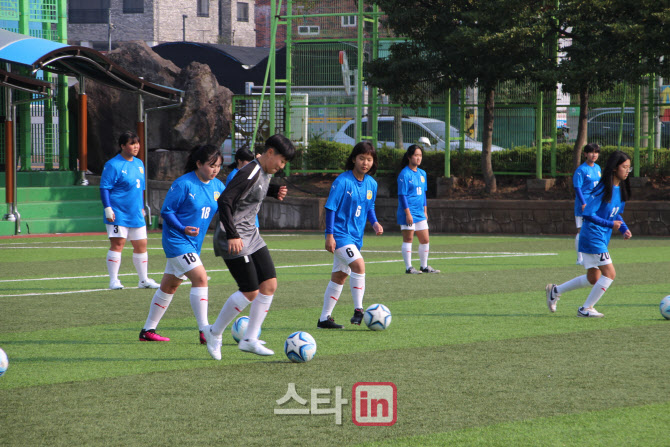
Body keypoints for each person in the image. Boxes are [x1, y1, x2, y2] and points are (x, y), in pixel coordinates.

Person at [202, 134, 296, 360]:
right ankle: (214, 332)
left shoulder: (263, 171)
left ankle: (249, 339)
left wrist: (273, 191)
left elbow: (253, 192)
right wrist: (233, 235)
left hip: (250, 235)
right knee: (250, 289)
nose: (282, 167)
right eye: (281, 161)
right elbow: (224, 200)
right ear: (270, 153)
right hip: (232, 236)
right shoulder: (251, 171)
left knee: (270, 284)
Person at [138, 145, 225, 342]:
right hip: (176, 240)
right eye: (212, 165)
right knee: (200, 278)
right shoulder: (184, 184)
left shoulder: (217, 186)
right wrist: (183, 228)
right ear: (199, 164)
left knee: (169, 286)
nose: (216, 170)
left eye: (219, 166)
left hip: (193, 244)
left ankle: (147, 331)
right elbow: (167, 212)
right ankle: (205, 331)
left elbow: (229, 204)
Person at [546, 150, 632, 318]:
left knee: (594, 278)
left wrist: (623, 228)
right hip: (592, 236)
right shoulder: (602, 190)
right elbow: (587, 214)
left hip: (601, 237)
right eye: (625, 167)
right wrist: (610, 224)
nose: (628, 170)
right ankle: (586, 308)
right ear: (615, 168)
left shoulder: (619, 191)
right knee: (610, 274)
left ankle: (555, 291)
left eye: (629, 167)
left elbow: (615, 214)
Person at [316, 141, 384, 329]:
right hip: (340, 235)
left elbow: (370, 207)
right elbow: (330, 208)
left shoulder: (372, 184)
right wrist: (329, 236)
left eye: (369, 159)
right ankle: (358, 310)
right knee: (358, 265)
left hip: (355, 238)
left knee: (339, 277)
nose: (365, 163)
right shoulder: (342, 181)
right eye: (361, 158)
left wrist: (375, 222)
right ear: (354, 159)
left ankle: (324, 319)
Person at [100, 131, 159, 290]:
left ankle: (143, 280)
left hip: (135, 213)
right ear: (122, 146)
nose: (136, 146)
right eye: (132, 143)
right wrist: (108, 208)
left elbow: (140, 189)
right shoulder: (113, 164)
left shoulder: (139, 164)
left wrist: (141, 207)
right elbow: (104, 188)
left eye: (137, 143)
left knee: (142, 245)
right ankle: (114, 280)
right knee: (118, 244)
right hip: (118, 212)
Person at [396, 144, 440, 274]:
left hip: (420, 213)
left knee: (425, 239)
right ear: (409, 157)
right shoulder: (404, 174)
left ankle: (424, 266)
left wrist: (425, 211)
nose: (418, 158)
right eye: (416, 155)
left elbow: (423, 194)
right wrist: (407, 213)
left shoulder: (422, 173)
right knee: (408, 239)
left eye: (420, 155)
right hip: (408, 213)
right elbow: (402, 195)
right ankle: (409, 267)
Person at [572, 143, 601, 265]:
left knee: (593, 229)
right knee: (581, 230)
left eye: (596, 152)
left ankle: (593, 255)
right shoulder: (581, 170)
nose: (594, 155)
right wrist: (583, 203)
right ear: (585, 154)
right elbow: (577, 187)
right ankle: (580, 259)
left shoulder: (598, 168)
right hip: (583, 204)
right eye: (591, 152)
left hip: (594, 203)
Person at [226, 147, 259, 228]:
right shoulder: (234, 175)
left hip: (252, 220)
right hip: (240, 221)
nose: (251, 163)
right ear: (239, 161)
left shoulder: (250, 173)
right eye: (248, 161)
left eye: (252, 161)